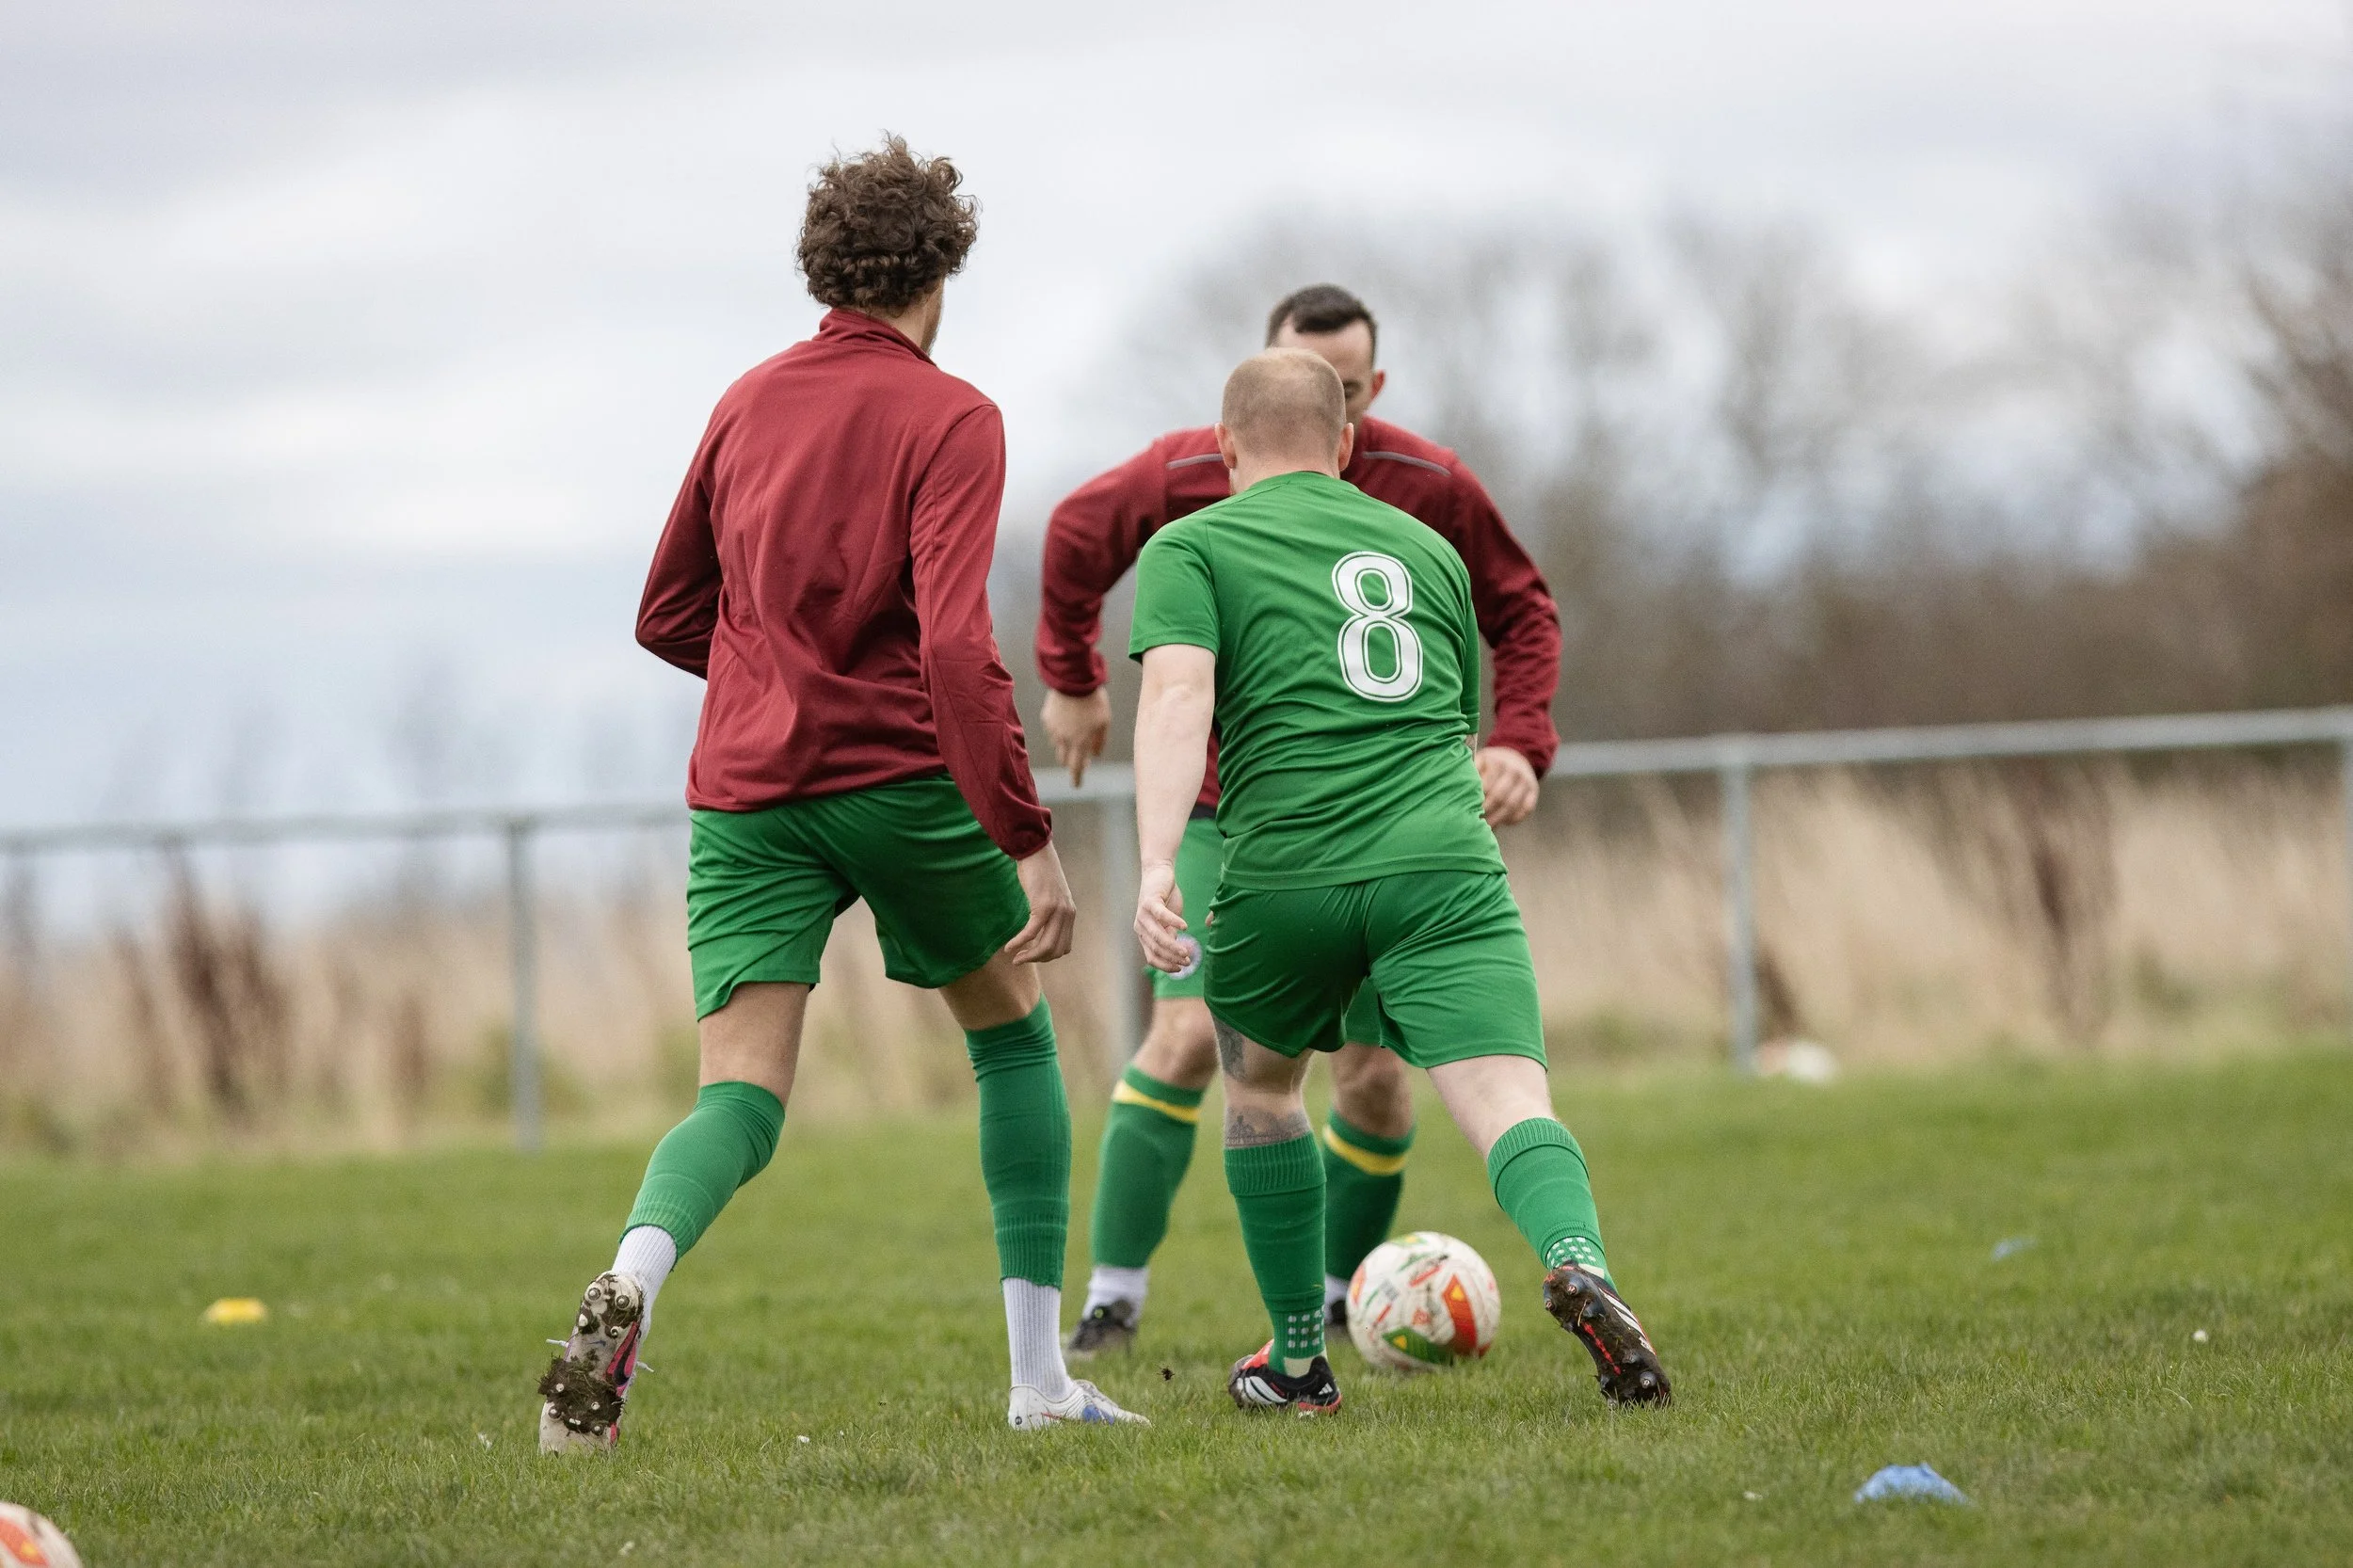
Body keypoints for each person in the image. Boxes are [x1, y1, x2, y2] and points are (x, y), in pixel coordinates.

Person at [536, 136, 1144, 1452]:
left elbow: (665, 612)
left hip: (746, 793)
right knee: (1014, 1035)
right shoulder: (953, 413)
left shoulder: (746, 401)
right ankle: (1042, 1382)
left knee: (739, 1100)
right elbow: (950, 646)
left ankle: (634, 1273)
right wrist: (1027, 837)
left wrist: (776, 676)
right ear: (940, 274)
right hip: (901, 780)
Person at [1128, 348, 1670, 1414]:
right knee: (1508, 1099)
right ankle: (1579, 1258)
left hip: (1283, 870)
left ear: (1224, 447)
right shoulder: (1428, 546)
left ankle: (1294, 1363)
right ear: (1343, 444)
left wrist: (1155, 862)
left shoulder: (1188, 544)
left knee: (1264, 1092)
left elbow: (1176, 700)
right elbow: (1454, 719)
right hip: (1442, 865)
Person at [1038, 285, 1561, 1355]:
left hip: (1375, 819)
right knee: (1188, 1036)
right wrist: (1073, 679)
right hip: (1229, 812)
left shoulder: (1426, 486)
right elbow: (1074, 538)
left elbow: (1519, 608)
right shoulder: (1186, 478)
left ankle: (1333, 1304)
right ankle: (1113, 1296)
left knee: (1371, 1078)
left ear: (1365, 400)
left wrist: (1519, 739)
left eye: (1352, 383)